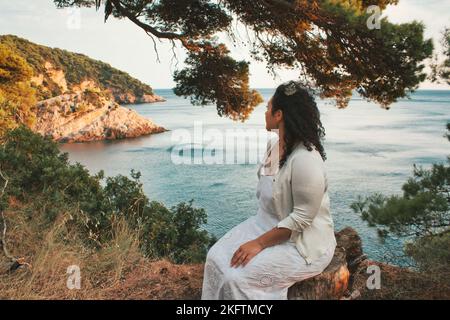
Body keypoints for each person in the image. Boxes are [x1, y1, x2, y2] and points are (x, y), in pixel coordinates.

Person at [201, 80, 337, 300]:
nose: (265, 112)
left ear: (279, 115)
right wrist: (257, 237)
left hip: (301, 244)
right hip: (263, 224)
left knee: (236, 277)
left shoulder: (305, 160)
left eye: (268, 108)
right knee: (215, 258)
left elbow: (302, 219)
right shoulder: (273, 147)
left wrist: (258, 244)